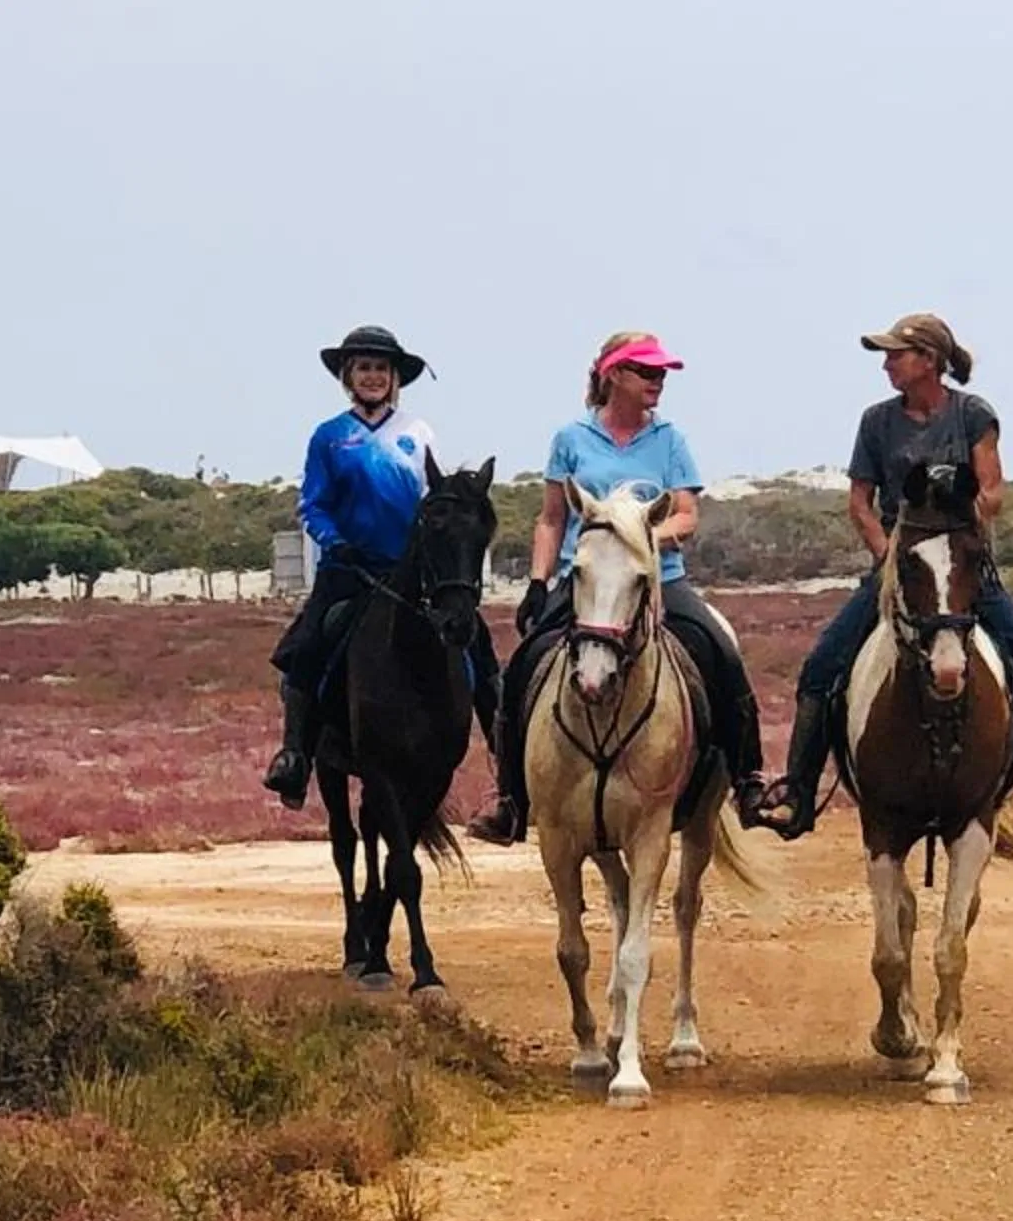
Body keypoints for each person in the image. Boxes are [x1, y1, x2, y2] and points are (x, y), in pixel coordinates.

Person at [756, 313, 1013, 838]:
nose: (887, 364)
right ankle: (797, 791)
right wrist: (889, 553)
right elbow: (860, 503)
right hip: (899, 569)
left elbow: (993, 490)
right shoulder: (877, 422)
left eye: (896, 355)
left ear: (929, 361)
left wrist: (961, 527)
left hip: (962, 566)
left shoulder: (972, 415)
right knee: (823, 665)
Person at [468, 331, 774, 844]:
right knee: (521, 667)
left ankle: (747, 780)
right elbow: (550, 519)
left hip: (654, 579)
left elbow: (686, 514)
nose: (658, 382)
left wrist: (639, 538)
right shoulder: (571, 438)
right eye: (646, 372)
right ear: (613, 375)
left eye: (661, 374)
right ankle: (512, 799)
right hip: (584, 580)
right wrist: (539, 582)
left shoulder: (670, 439)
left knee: (721, 653)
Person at [262, 324, 497, 806]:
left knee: (479, 647)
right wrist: (334, 541)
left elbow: (433, 502)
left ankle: (507, 767)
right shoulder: (328, 436)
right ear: (349, 376)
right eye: (364, 368)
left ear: (395, 379)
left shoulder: (418, 433)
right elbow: (313, 504)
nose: (373, 376)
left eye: (381, 369)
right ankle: (294, 756)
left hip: (409, 569)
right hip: (349, 568)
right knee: (306, 645)